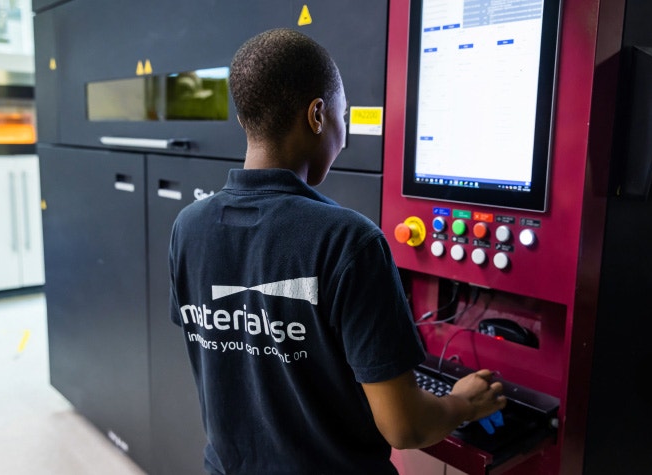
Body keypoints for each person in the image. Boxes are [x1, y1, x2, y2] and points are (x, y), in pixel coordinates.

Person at [169, 28, 506, 475]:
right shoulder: (348, 241)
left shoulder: (188, 227)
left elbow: (234, 359)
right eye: (341, 118)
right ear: (317, 115)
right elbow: (404, 427)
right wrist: (463, 403)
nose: (343, 137)